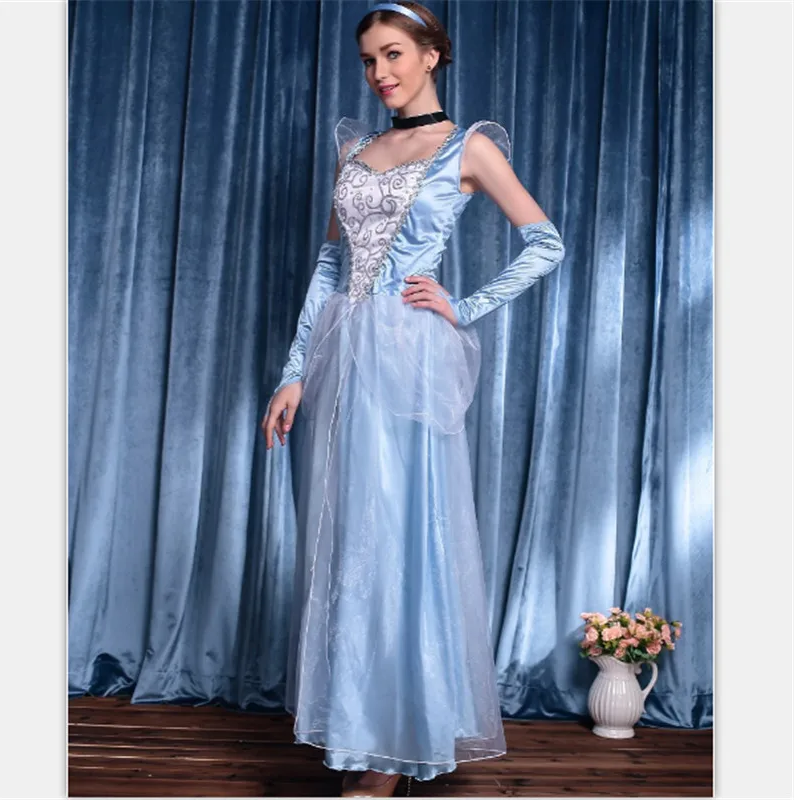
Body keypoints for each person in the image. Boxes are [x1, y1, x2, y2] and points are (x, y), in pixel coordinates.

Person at [261, 2, 566, 796]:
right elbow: (331, 266)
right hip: (342, 359)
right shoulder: (357, 150)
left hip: (409, 357)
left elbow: (546, 244)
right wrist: (294, 371)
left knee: (403, 537)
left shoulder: (468, 148)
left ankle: (394, 751)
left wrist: (465, 306)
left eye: (393, 54)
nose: (380, 73)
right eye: (369, 60)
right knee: (350, 539)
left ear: (432, 55)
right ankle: (359, 729)